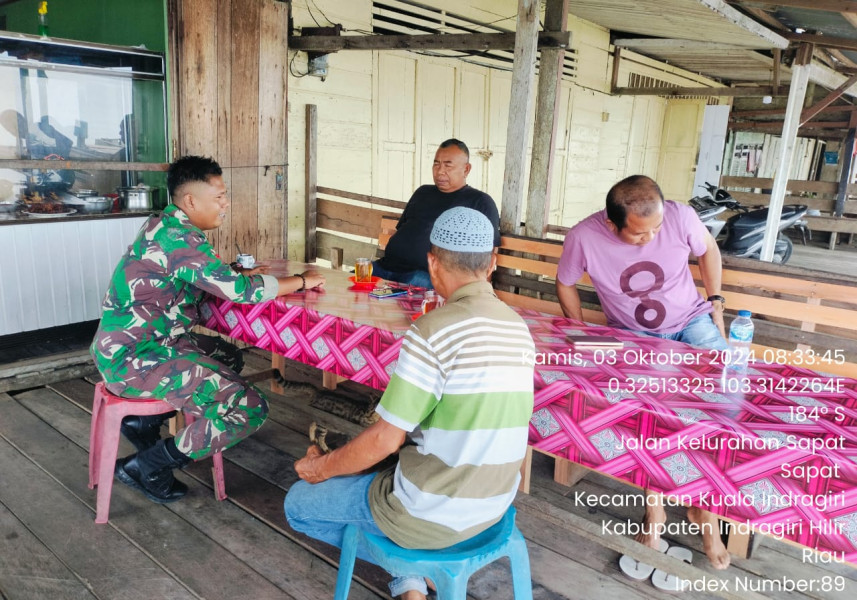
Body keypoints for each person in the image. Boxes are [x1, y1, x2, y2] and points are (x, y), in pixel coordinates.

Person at [285, 207, 535, 600]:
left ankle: (410, 573)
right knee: (371, 465)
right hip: (494, 506)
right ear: (492, 264)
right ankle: (412, 579)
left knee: (299, 506)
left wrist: (319, 469)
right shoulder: (518, 326)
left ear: (432, 264)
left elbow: (386, 440)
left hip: (430, 513)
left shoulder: (432, 330)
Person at [90, 155, 325, 505]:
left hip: (146, 343)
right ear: (190, 201)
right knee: (249, 407)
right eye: (220, 196)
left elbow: (200, 278)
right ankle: (146, 466)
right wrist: (303, 280)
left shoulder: (166, 225)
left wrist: (231, 274)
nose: (226, 203)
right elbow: (240, 293)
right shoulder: (179, 237)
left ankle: (142, 423)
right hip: (134, 359)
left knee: (227, 353)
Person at [555, 174, 731, 571]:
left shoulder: (681, 217)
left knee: (722, 407)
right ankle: (656, 511)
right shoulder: (585, 236)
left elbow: (709, 250)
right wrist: (586, 335)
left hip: (691, 323)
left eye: (656, 229)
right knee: (646, 418)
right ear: (611, 222)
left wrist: (716, 301)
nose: (649, 239)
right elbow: (564, 283)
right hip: (634, 336)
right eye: (637, 235)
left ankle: (706, 514)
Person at [372, 138, 500, 288]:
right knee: (351, 279)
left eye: (448, 165)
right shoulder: (422, 192)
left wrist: (481, 293)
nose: (440, 171)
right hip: (386, 267)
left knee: (415, 284)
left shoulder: (480, 202)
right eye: (436, 164)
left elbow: (488, 255)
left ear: (466, 169)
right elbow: (401, 230)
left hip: (423, 276)